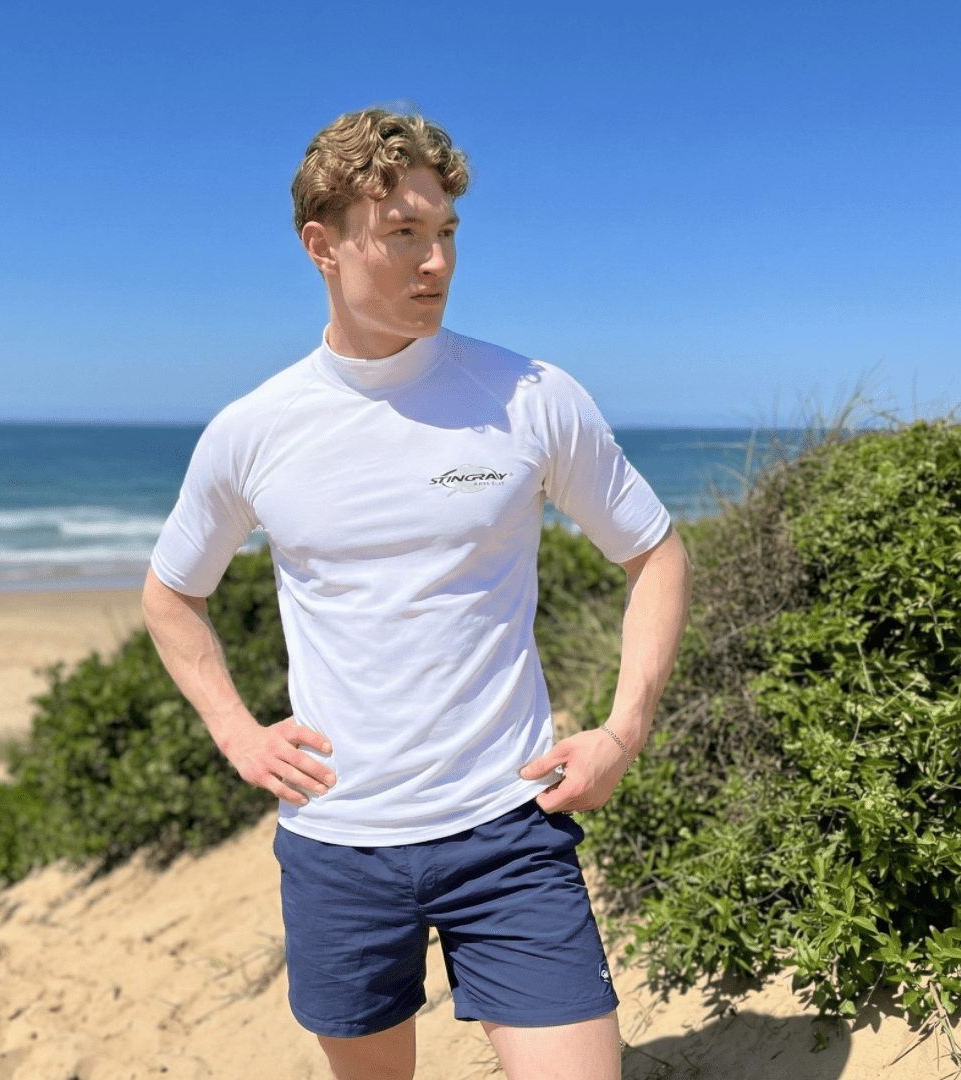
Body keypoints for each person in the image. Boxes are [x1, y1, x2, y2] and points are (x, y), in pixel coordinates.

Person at [142, 108, 692, 1080]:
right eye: (403, 235)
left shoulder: (529, 395)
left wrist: (624, 729)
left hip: (509, 826)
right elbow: (171, 594)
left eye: (445, 234)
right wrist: (236, 732)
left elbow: (654, 552)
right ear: (323, 245)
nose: (434, 261)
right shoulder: (254, 430)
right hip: (338, 844)